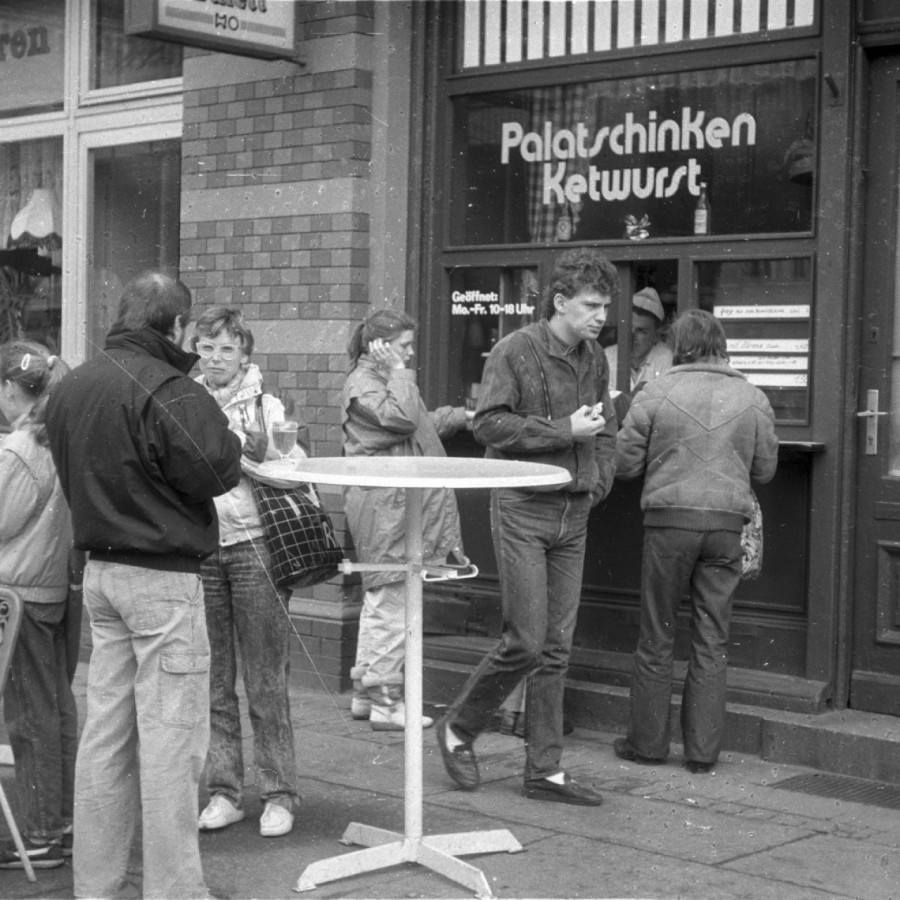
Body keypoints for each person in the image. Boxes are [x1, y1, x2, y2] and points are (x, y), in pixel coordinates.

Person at [45, 272, 242, 900]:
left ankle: (96, 886)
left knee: (106, 736)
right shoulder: (172, 388)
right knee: (171, 744)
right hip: (161, 579)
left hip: (99, 574)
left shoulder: (73, 385)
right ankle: (175, 891)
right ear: (178, 326)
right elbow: (215, 469)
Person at [436, 247, 618, 806]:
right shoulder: (514, 350)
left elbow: (605, 426)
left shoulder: (594, 358)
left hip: (574, 510)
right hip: (522, 507)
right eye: (590, 305)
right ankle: (457, 729)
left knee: (557, 648)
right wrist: (564, 430)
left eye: (604, 306)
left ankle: (544, 771)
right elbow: (491, 425)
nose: (600, 317)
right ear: (559, 302)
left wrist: (599, 477)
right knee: (527, 640)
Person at [613, 309, 778, 773]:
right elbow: (765, 470)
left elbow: (625, 466)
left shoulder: (656, 392)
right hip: (726, 528)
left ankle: (647, 745)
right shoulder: (752, 397)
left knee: (656, 635)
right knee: (712, 638)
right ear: (720, 345)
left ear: (677, 346)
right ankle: (703, 755)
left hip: (668, 525)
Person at [192, 306, 303, 838]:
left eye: (227, 349)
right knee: (215, 682)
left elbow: (293, 472)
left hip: (255, 548)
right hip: (202, 551)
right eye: (207, 347)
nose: (215, 358)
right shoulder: (183, 400)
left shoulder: (266, 404)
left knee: (265, 679)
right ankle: (225, 792)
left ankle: (279, 793)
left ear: (245, 356)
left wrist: (262, 454)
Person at [342, 309, 472, 731]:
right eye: (403, 346)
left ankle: (366, 694)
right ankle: (386, 702)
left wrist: (461, 416)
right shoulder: (366, 383)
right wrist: (399, 371)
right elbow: (402, 420)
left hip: (391, 508)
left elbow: (417, 424)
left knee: (382, 600)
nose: (410, 354)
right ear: (377, 347)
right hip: (388, 510)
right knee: (391, 604)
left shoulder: (376, 383)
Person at [0, 343, 75, 871]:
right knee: (54, 711)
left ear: (11, 390)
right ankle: (60, 824)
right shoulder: (58, 438)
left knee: (29, 718)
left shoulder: (20, 449)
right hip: (51, 589)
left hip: (17, 594)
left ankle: (40, 832)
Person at [605, 286, 673, 400]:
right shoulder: (608, 356)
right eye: (629, 328)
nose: (632, 337)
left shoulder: (667, 359)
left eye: (641, 331)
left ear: (656, 336)